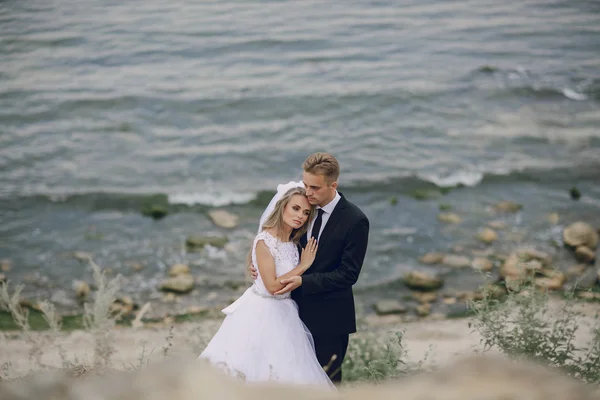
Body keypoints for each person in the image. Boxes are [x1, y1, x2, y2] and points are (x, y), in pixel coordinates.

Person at [198, 185, 335, 389]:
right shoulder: (265, 240)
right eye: (295, 208)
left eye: (306, 212)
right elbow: (271, 286)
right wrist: (303, 266)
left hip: (287, 313)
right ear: (282, 207)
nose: (300, 216)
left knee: (288, 372)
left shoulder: (293, 242)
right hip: (262, 312)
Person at [249, 152, 370, 383]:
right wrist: (257, 265)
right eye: (305, 185)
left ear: (333, 185)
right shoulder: (304, 208)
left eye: (315, 187)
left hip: (329, 319)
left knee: (326, 383)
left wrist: (304, 280)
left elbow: (348, 274)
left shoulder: (355, 220)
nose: (308, 192)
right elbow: (275, 241)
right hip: (291, 314)